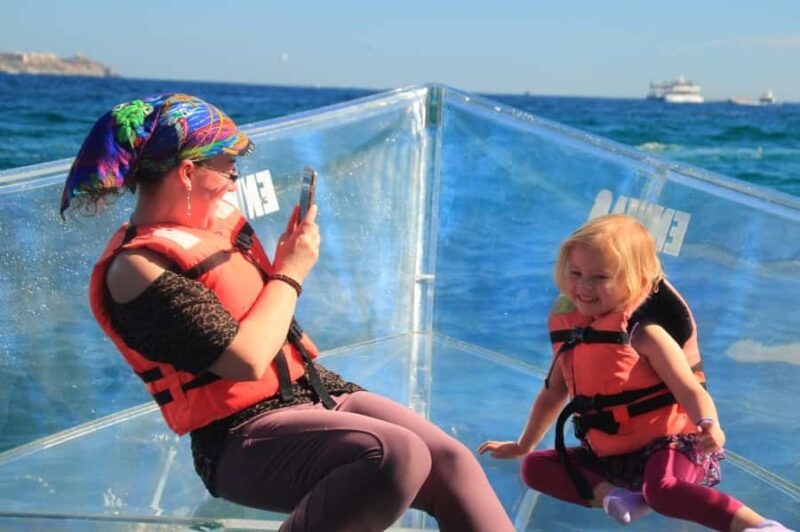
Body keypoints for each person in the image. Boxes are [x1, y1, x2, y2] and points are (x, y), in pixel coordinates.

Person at [61, 93, 514, 532]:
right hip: (239, 435)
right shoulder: (137, 268)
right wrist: (291, 271)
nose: (235, 182)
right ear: (186, 173)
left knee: (449, 459)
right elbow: (246, 359)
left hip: (313, 391)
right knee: (395, 454)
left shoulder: (212, 225)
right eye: (228, 169)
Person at [478, 214, 793, 531]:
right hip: (613, 456)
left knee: (663, 490)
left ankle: (759, 526)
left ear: (636, 280)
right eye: (575, 273)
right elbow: (553, 393)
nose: (584, 286)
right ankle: (617, 497)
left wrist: (709, 424)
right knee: (535, 468)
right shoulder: (573, 331)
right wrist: (524, 445)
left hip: (672, 445)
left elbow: (689, 389)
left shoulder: (644, 332)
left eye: (600, 277)